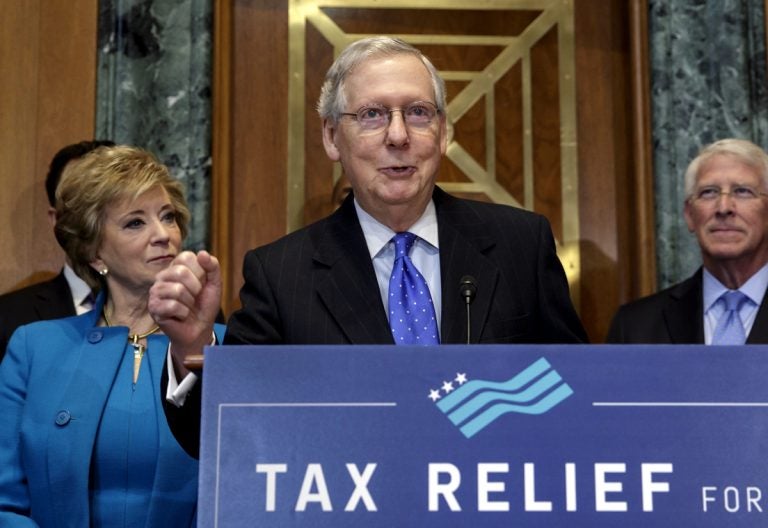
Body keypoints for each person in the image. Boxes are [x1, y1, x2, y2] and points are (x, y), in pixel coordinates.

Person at [149, 36, 587, 456]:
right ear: (331, 136)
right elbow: (227, 437)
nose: (398, 136)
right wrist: (193, 349)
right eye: (373, 115)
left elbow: (576, 394)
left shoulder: (520, 244)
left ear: (443, 132)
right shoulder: (282, 274)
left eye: (418, 112)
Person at [0, 145, 225, 525]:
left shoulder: (224, 345)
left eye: (167, 217)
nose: (163, 235)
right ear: (94, 252)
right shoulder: (34, 348)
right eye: (135, 222)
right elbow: (6, 503)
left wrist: (196, 343)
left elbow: (248, 483)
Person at [607, 138, 768, 344]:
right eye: (708, 192)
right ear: (690, 215)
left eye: (743, 191)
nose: (724, 207)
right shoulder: (635, 326)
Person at [0, 140, 115, 360]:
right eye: (80, 203)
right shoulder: (7, 318)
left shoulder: (168, 314)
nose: (94, 219)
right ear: (57, 220)